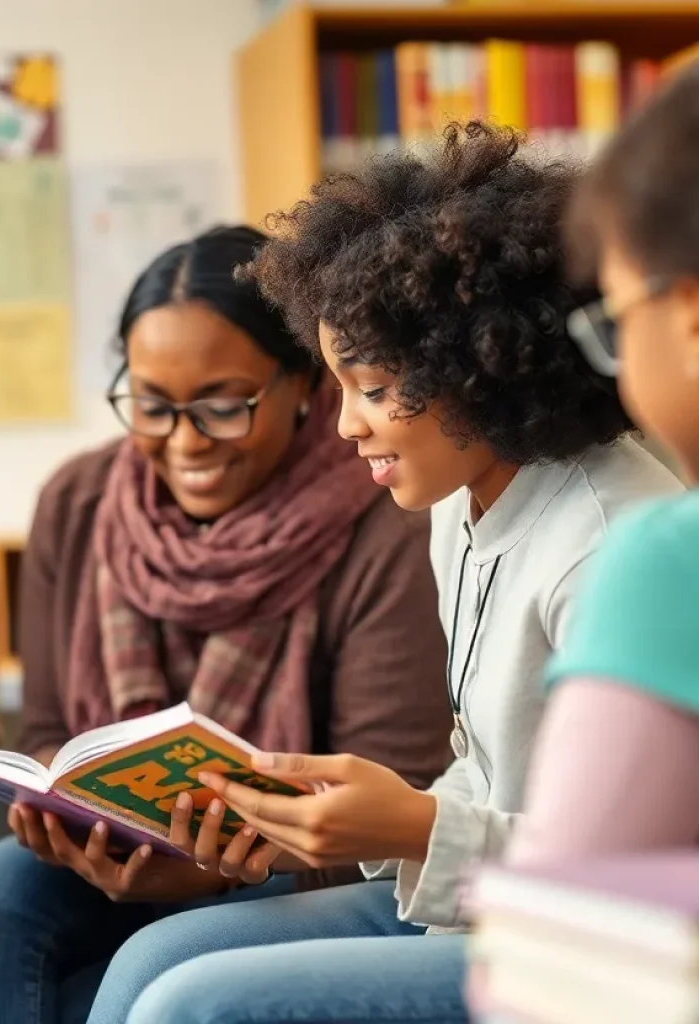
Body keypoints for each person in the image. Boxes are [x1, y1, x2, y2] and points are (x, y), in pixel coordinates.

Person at [83, 124, 682, 1024]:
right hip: (471, 898)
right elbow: (488, 779)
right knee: (156, 954)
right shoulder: (461, 501)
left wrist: (411, 825)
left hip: (576, 944)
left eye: (373, 387)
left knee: (192, 1006)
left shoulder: (606, 542)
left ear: (479, 365)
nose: (346, 428)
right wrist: (322, 821)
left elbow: (637, 874)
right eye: (340, 388)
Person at [0, 224, 455, 1024]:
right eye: (151, 405)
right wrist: (62, 815)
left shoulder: (388, 520)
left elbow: (390, 801)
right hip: (117, 850)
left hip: (296, 861)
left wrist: (216, 871)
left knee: (163, 949)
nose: (183, 442)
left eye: (221, 406)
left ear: (304, 384)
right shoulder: (76, 503)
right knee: (0, 881)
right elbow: (45, 728)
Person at [504, 66, 699, 866]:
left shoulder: (667, 556)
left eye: (616, 317)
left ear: (689, 317)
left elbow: (552, 957)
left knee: (195, 999)